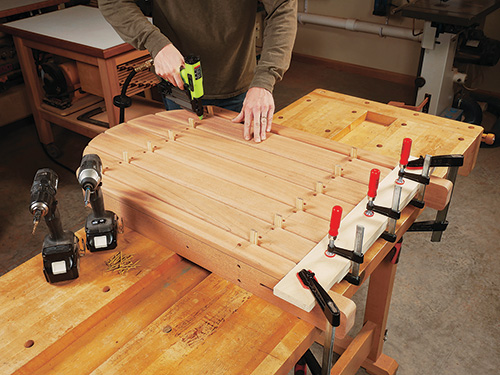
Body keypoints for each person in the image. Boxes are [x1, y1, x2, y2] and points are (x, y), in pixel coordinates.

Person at [98, 0, 297, 142]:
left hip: (239, 84)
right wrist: (156, 44)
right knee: (189, 164)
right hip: (179, 85)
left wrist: (264, 80)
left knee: (241, 168)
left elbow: (282, 8)